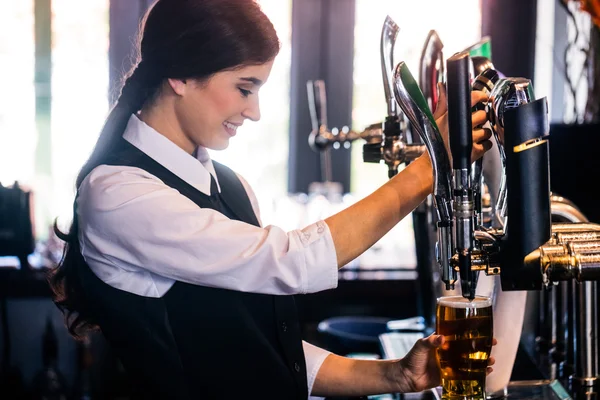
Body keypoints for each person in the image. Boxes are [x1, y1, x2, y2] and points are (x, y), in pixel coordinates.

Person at [48, 0, 495, 399]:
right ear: (181, 75)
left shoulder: (230, 185)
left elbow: (263, 350)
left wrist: (396, 376)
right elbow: (290, 262)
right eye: (245, 87)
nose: (254, 111)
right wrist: (427, 168)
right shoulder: (119, 193)